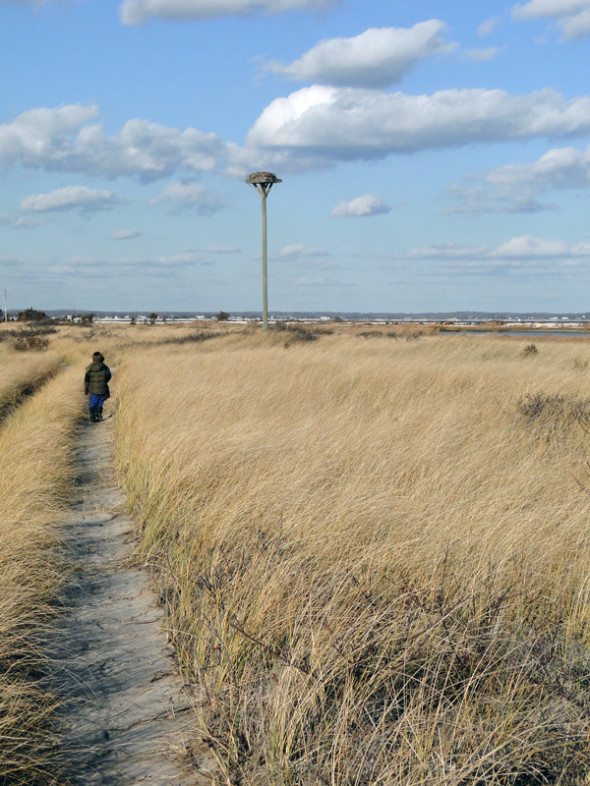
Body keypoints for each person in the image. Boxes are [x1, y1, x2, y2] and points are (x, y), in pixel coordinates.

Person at [84, 351, 111, 422]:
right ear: (101, 358)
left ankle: (92, 416)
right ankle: (99, 415)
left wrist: (86, 387)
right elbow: (108, 376)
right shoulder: (105, 367)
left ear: (93, 358)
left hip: (93, 390)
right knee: (100, 402)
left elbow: (86, 378)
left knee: (93, 402)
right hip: (102, 389)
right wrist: (103, 381)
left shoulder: (90, 368)